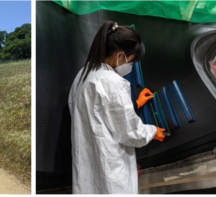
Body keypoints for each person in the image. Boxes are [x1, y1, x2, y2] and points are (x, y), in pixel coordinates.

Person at [69, 21, 164, 194]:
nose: (131, 66)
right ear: (120, 56)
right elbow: (130, 133)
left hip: (88, 166)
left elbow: (96, 115)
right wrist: (152, 132)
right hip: (111, 169)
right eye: (132, 61)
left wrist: (135, 104)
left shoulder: (82, 76)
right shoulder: (113, 82)